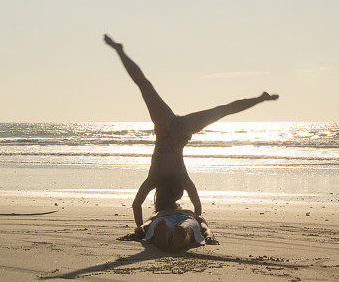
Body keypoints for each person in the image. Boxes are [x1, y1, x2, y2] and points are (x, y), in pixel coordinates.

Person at [103, 34, 279, 234]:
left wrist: (141, 230)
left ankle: (260, 99)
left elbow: (194, 206)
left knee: (147, 86)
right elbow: (145, 204)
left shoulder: (170, 177)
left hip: (171, 127)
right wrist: (198, 224)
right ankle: (259, 99)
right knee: (148, 86)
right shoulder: (161, 178)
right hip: (174, 127)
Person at [119, 174, 217, 251]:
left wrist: (134, 232)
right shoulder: (189, 213)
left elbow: (145, 226)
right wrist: (209, 235)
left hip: (163, 219)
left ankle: (163, 236)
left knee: (159, 227)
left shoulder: (158, 214)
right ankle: (183, 235)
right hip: (187, 219)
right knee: (188, 230)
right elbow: (204, 227)